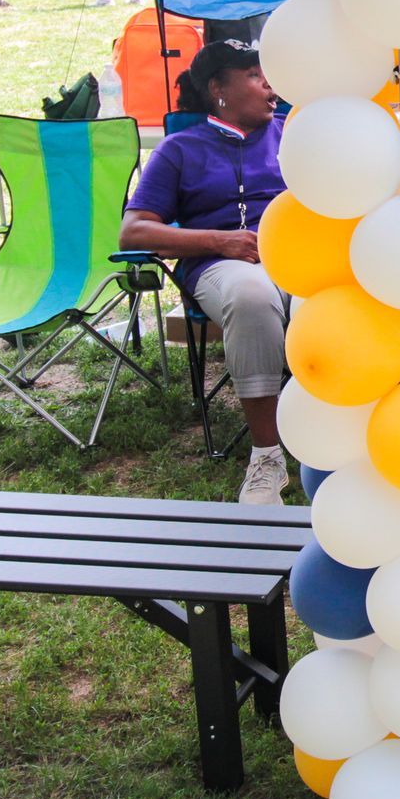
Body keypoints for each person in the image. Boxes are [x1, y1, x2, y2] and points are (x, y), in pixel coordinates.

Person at [120, 41, 289, 504]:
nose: (270, 87)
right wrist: (219, 240)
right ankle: (267, 456)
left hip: (298, 261)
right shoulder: (180, 149)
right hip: (220, 267)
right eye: (255, 76)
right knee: (252, 296)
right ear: (218, 89)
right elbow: (133, 232)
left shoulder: (295, 135)